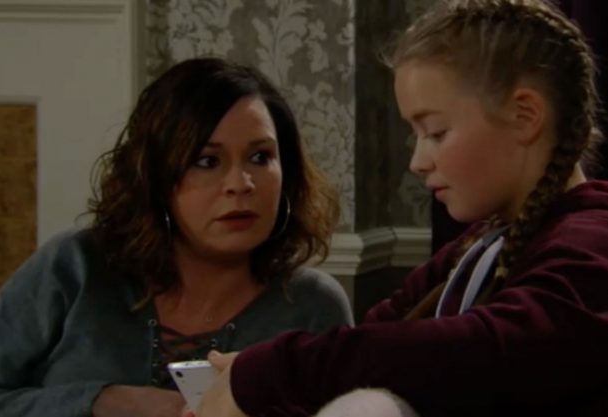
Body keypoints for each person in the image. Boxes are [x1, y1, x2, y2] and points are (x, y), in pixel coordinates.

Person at [193, 1, 608, 416]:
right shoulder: (476, 247)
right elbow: (381, 340)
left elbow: (478, 351)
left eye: (436, 132)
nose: (418, 162)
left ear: (525, 116)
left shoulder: (593, 245)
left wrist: (275, 370)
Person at [0, 57, 354, 417]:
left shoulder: (312, 306)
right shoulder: (74, 267)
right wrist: (102, 402)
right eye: (207, 161)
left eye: (260, 157)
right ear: (155, 177)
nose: (241, 184)